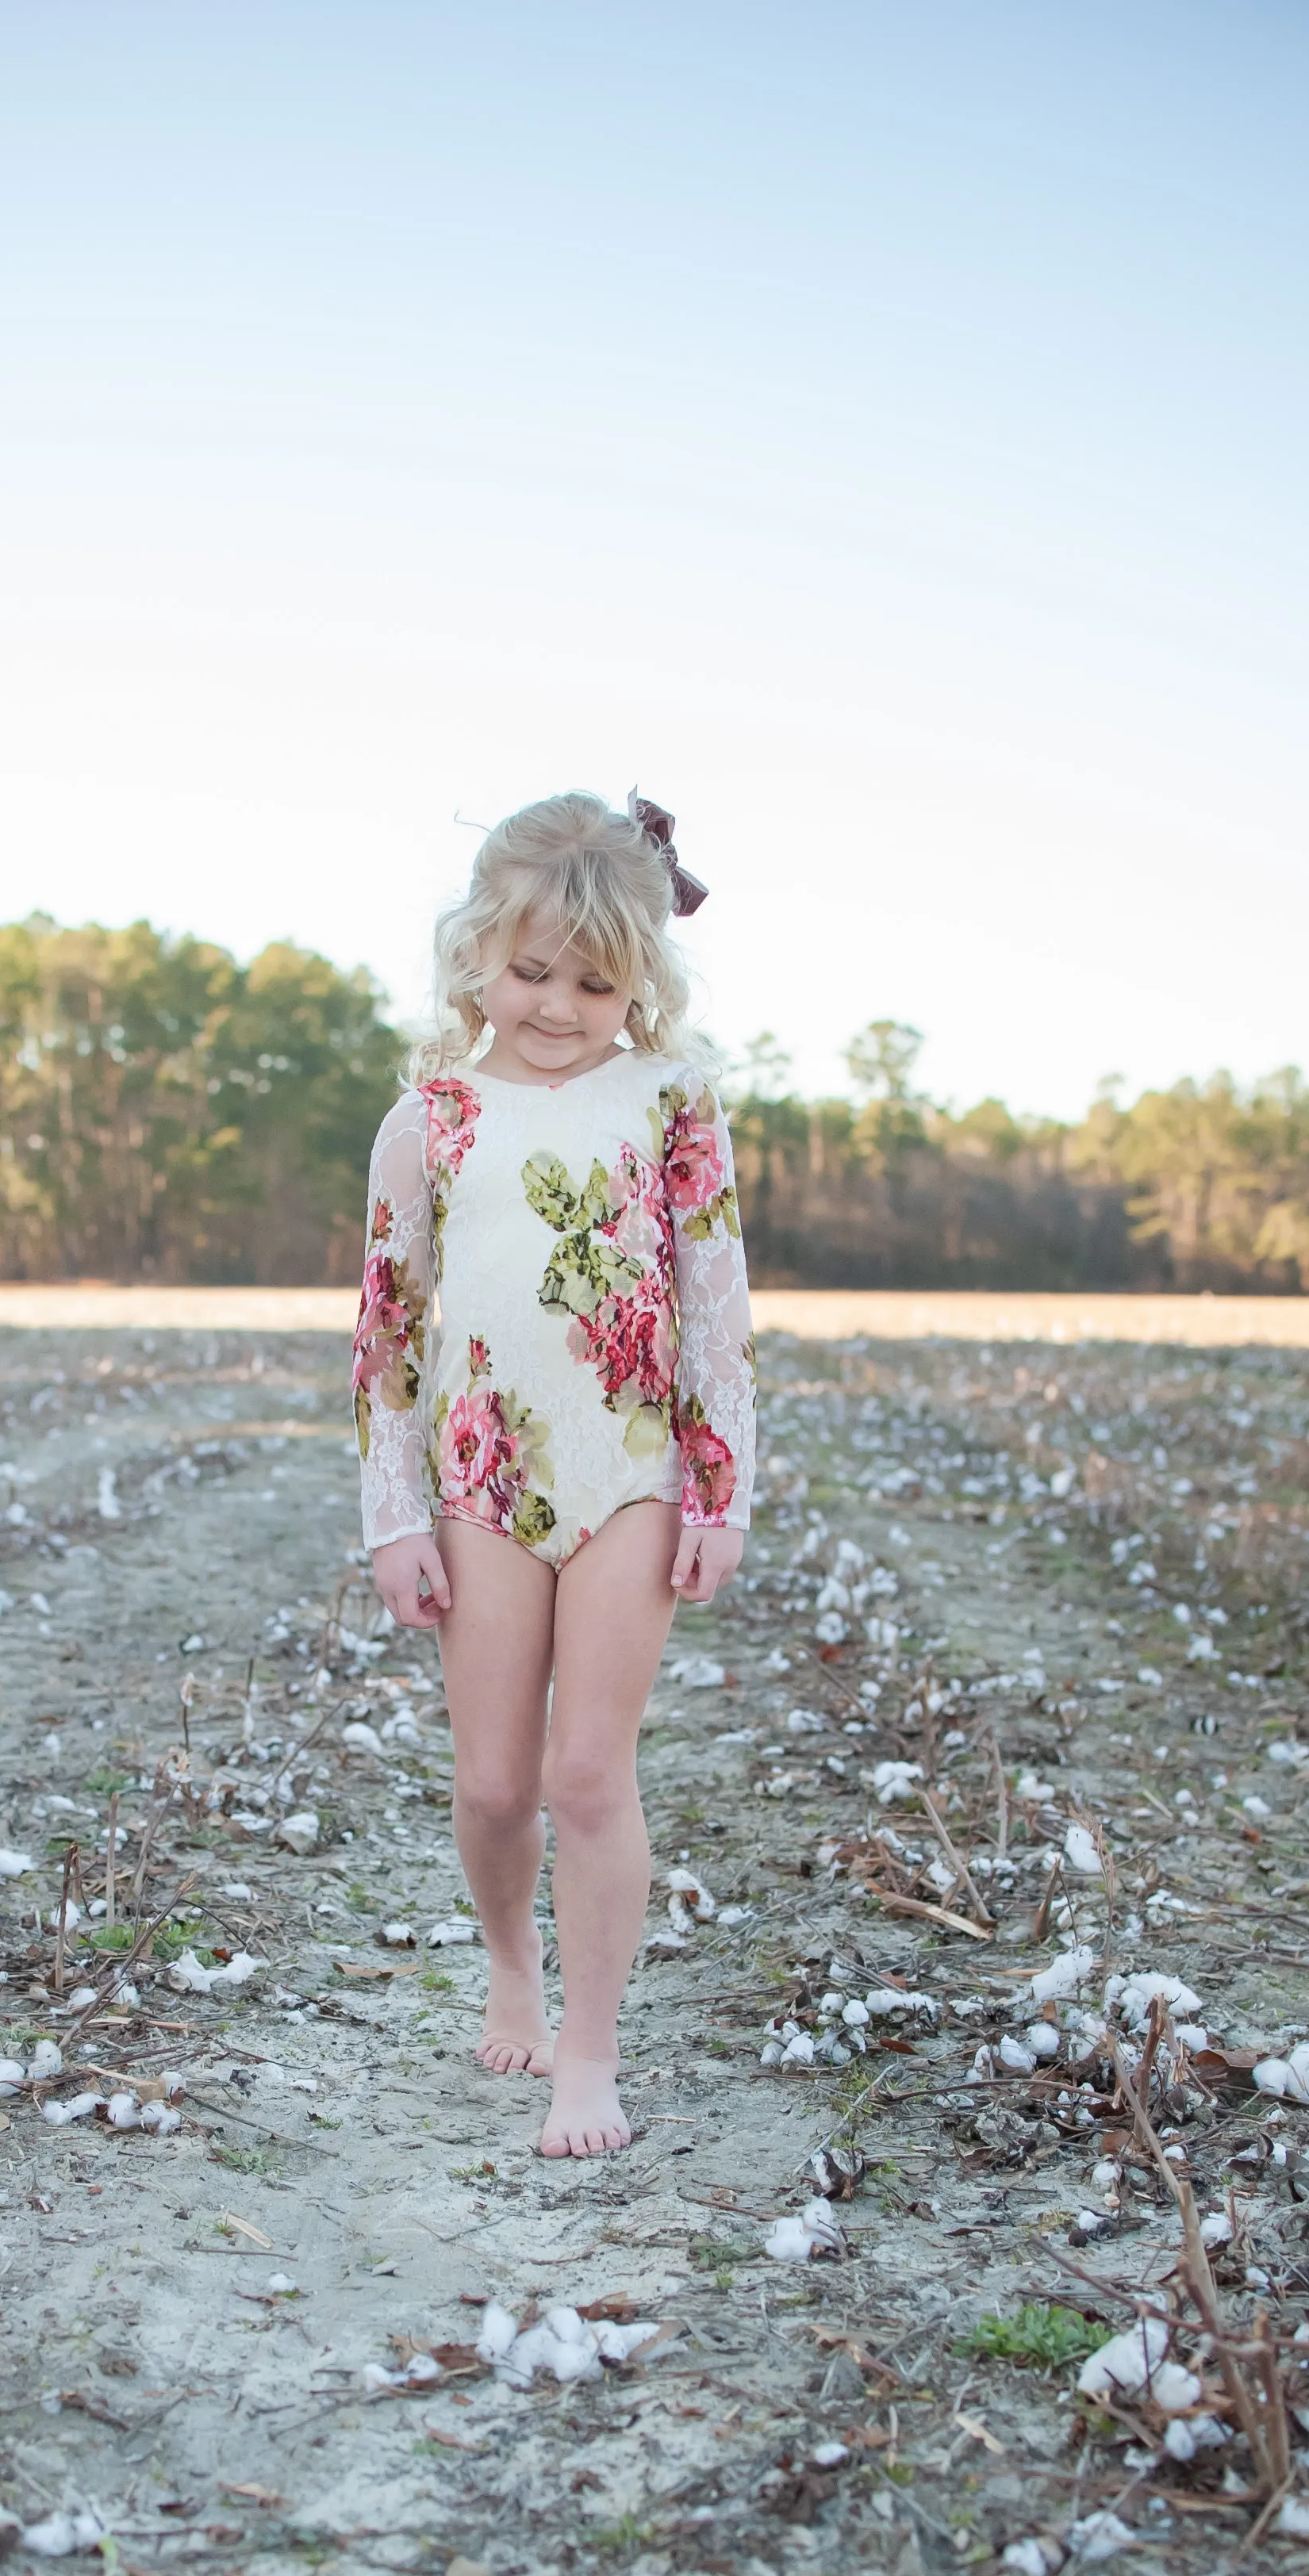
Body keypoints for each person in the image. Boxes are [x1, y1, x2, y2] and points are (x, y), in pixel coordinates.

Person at [351, 791, 757, 2157]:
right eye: (532, 971)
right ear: (476, 955)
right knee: (494, 1788)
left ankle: (592, 2055)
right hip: (482, 1481)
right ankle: (512, 1960)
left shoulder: (674, 1104)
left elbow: (714, 1314)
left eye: (596, 979)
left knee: (590, 1776)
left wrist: (722, 1491)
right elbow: (389, 1336)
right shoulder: (431, 1118)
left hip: (629, 1473)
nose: (561, 1005)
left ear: (642, 978)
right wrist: (394, 1515)